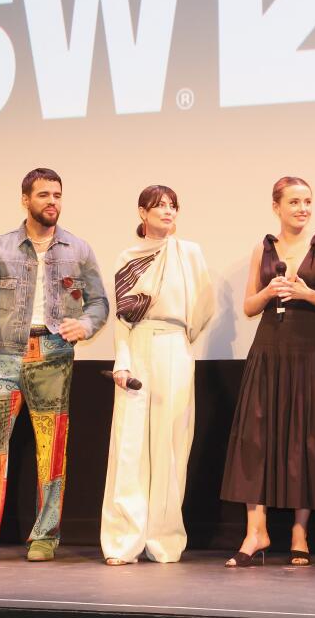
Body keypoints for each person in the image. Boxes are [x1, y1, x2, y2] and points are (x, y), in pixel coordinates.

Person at [0, 168, 109, 564]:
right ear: (25, 199)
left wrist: (84, 325)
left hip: (52, 355)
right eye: (44, 195)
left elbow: (99, 303)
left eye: (58, 195)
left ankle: (45, 537)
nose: (52, 202)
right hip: (2, 354)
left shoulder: (78, 249)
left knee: (51, 451)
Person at [220, 176, 315, 567]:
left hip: (308, 355)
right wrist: (270, 291)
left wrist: (307, 293)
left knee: (305, 438)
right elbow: (248, 306)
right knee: (256, 439)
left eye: (308, 201)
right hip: (269, 352)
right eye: (294, 202)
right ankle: (255, 532)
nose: (303, 208)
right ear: (276, 206)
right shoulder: (262, 249)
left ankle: (299, 532)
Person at [100, 185, 215, 565]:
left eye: (172, 205)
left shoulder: (189, 253)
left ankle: (164, 539)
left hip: (175, 347)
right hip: (138, 345)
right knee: (131, 445)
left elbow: (203, 306)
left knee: (170, 442)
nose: (167, 211)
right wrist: (122, 361)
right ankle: (123, 541)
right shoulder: (128, 257)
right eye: (159, 206)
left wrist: (181, 339)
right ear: (142, 212)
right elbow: (122, 318)